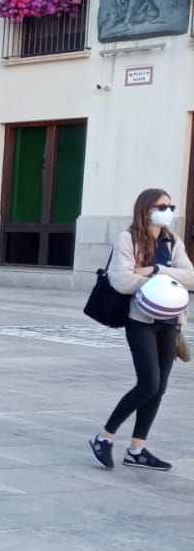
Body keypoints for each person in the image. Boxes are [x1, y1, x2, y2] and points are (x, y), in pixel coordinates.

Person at [90, 188, 193, 471]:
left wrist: (155, 271)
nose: (169, 211)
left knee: (159, 389)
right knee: (148, 383)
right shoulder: (128, 238)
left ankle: (137, 449)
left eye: (171, 206)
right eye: (163, 206)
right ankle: (104, 437)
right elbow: (122, 280)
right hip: (141, 321)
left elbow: (191, 276)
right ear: (147, 209)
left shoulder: (172, 240)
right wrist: (158, 280)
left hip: (171, 322)